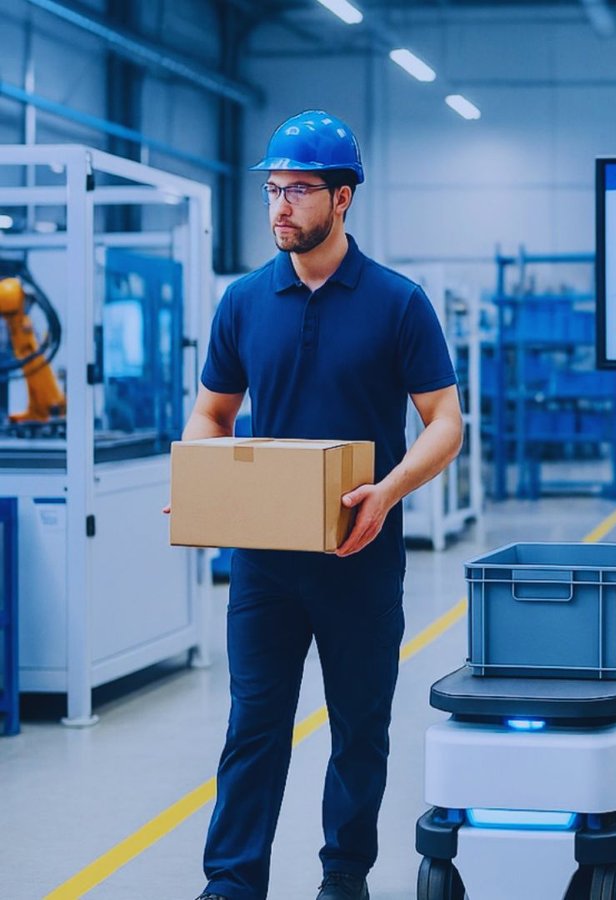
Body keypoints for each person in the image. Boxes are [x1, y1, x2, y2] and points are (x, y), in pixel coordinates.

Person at [180, 110, 463, 900]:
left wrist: (390, 491)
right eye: (273, 189)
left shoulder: (397, 303)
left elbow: (445, 423)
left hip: (360, 556)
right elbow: (212, 413)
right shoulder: (243, 302)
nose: (280, 206)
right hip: (266, 564)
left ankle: (345, 878)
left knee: (359, 730)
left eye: (299, 190)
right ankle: (232, 883)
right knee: (253, 728)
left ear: (343, 200)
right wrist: (202, 484)